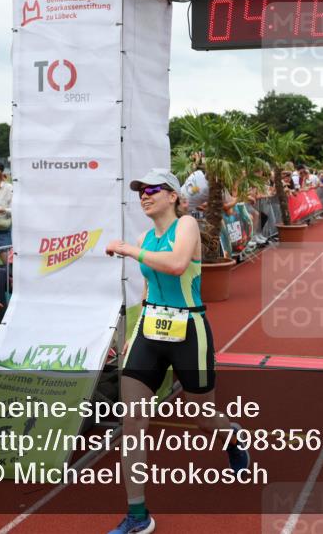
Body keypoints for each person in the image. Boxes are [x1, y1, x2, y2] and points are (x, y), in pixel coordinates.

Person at [104, 169, 250, 534]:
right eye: (140, 191)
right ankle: (138, 514)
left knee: (203, 415)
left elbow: (176, 264)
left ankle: (231, 434)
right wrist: (134, 330)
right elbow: (148, 288)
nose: (144, 196)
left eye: (153, 189)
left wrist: (127, 249)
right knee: (133, 422)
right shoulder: (143, 237)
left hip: (190, 332)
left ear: (172, 196)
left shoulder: (185, 227)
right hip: (149, 333)